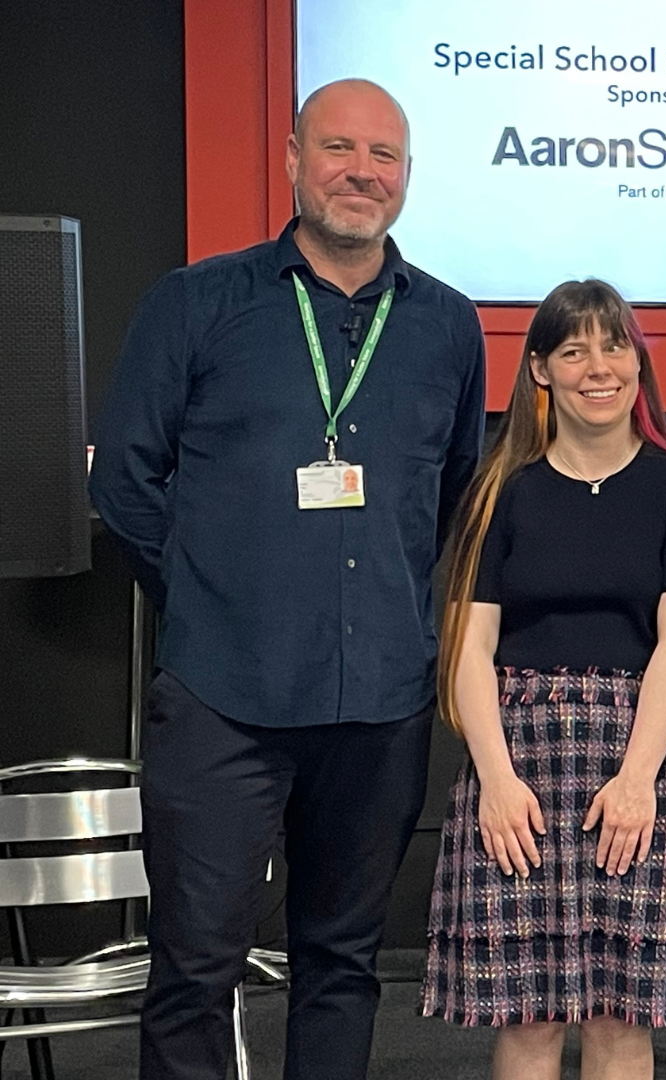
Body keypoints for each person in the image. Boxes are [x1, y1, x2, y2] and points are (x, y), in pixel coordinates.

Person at [87, 79, 486, 1079]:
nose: (362, 173)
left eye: (384, 156)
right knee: (194, 965)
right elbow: (127, 478)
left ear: (406, 175)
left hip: (381, 703)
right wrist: (211, 596)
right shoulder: (195, 304)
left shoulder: (447, 324)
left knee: (344, 963)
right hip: (225, 697)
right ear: (294, 158)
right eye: (340, 149)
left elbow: (454, 495)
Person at [420, 280, 666, 1077]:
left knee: (621, 1018)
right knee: (527, 1018)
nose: (600, 366)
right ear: (540, 372)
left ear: (637, 362)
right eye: (574, 349)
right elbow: (467, 648)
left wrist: (638, 778)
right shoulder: (499, 490)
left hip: (636, 757)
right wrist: (493, 778)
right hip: (516, 765)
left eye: (615, 345)